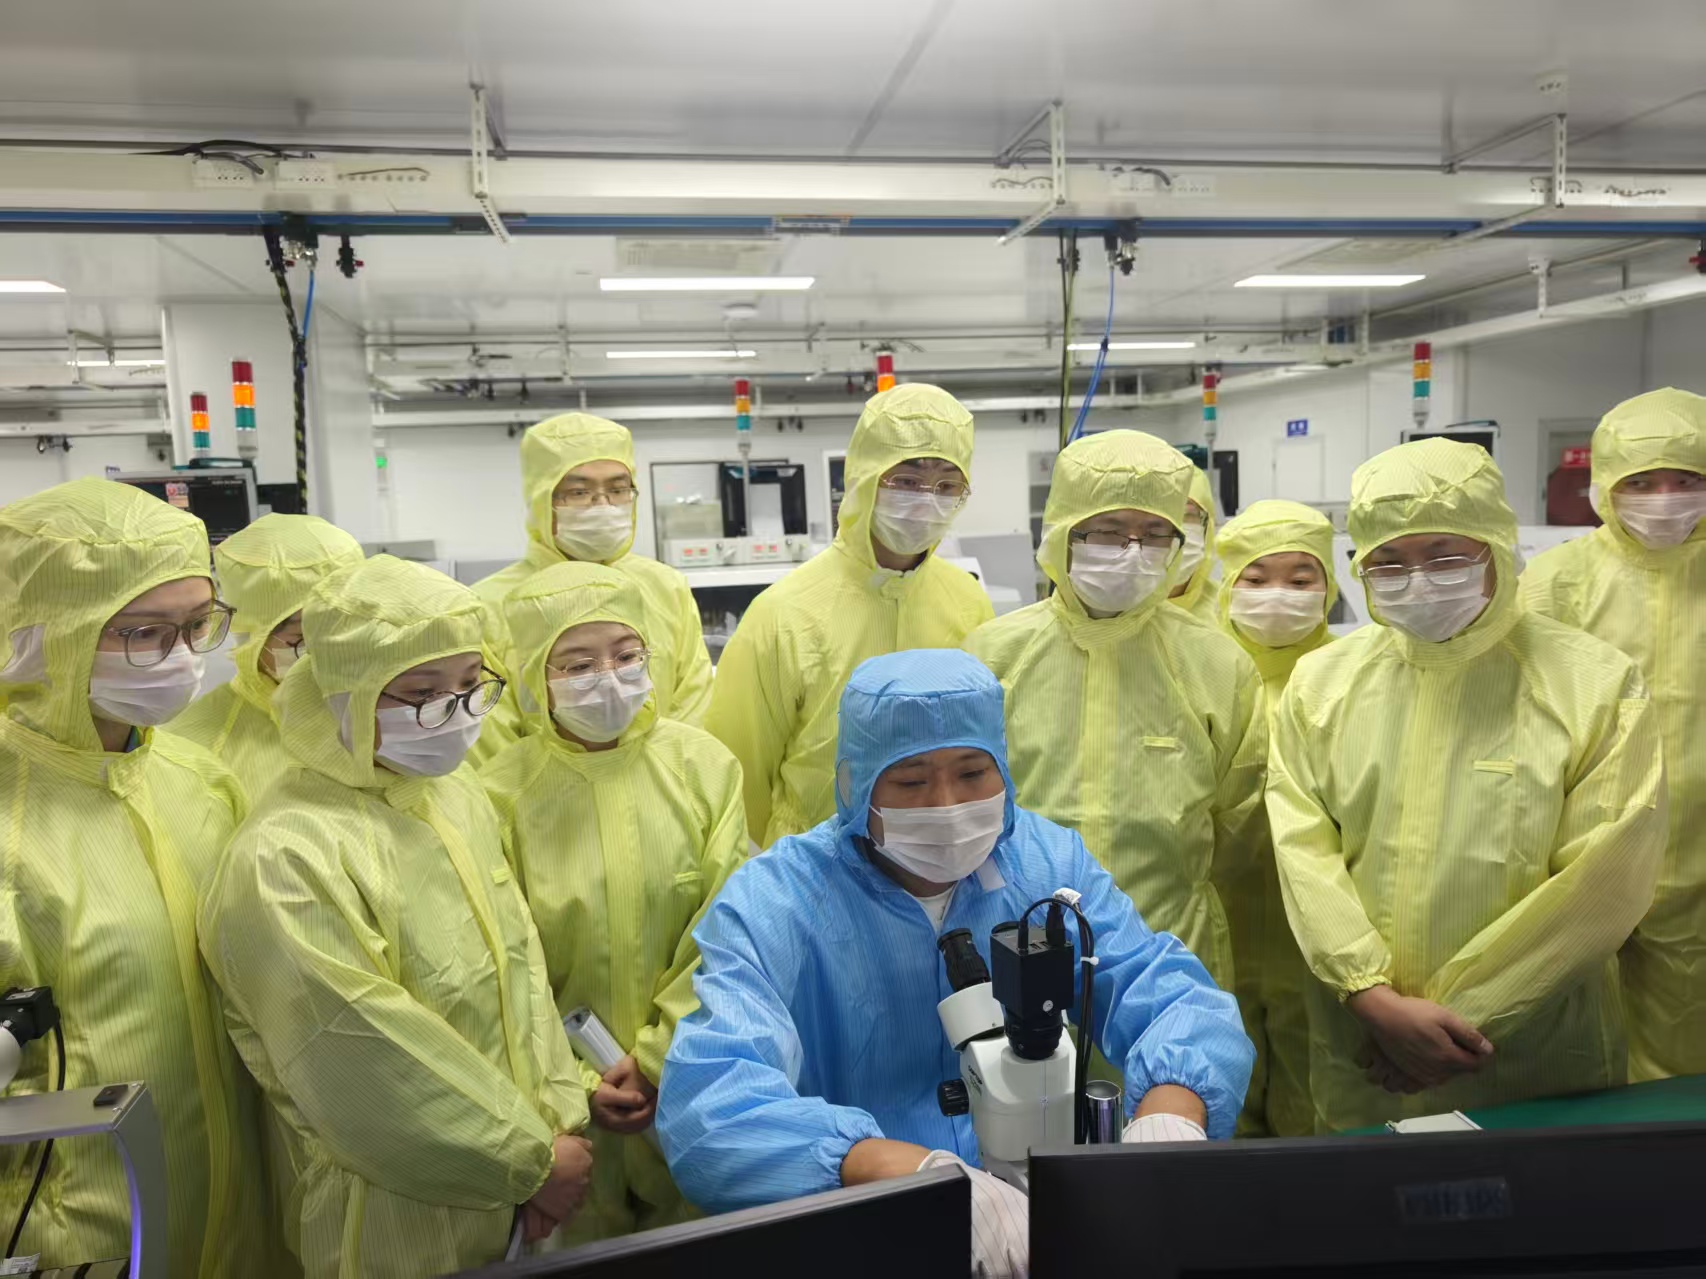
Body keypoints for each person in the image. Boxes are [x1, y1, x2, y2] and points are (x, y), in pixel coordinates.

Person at [659, 650, 1253, 1277]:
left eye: (972, 772)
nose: (946, 804)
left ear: (1004, 769)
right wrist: (905, 1173)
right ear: (853, 786)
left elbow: (1168, 994)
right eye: (911, 782)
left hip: (1047, 1225)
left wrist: (1170, 1118)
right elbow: (711, 1111)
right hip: (867, 1229)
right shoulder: (775, 902)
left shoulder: (1047, 867)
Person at [198, 554, 592, 1278]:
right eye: (422, 693)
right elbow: (362, 1059)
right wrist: (528, 1163)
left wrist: (560, 1119)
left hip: (525, 1183)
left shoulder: (452, 796)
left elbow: (518, 971)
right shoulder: (286, 855)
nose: (459, 713)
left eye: (471, 684)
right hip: (393, 1216)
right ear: (343, 697)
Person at [1267, 438, 1666, 1132]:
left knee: (1539, 1199)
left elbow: (1604, 881)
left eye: (1445, 554)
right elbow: (1303, 849)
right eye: (1389, 560)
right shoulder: (1321, 684)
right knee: (1365, 1195)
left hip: (1528, 1055)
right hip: (1365, 1049)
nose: (1418, 580)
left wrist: (1462, 1021)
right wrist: (1369, 994)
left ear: (1497, 547)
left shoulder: (1594, 684)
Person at [0, 477, 273, 1276]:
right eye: (146, 631)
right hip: (77, 1231)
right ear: (47, 632)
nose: (183, 656)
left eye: (198, 624)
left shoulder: (202, 781)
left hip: (234, 1208)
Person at [964, 430, 1267, 1041]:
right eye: (1107, 530)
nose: (1132, 552)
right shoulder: (994, 655)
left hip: (1171, 954)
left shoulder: (1217, 664)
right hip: (1021, 949)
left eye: (1154, 534)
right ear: (1062, 532)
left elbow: (1241, 828)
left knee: (1173, 1089)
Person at [481, 561, 747, 1240]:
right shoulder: (496, 795)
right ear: (534, 676)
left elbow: (730, 924)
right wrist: (576, 1082)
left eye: (627, 655)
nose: (608, 676)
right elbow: (501, 967)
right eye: (577, 663)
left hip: (693, 1079)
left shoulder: (704, 768)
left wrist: (661, 1054)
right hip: (562, 1112)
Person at [707, 384, 994, 847]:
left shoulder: (967, 599)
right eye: (906, 480)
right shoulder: (784, 611)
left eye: (947, 486)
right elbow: (739, 771)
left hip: (941, 860)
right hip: (817, 865)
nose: (927, 500)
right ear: (864, 477)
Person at [1521, 387, 1706, 1081]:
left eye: (1686, 480)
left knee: (1687, 1035)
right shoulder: (1558, 580)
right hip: (1586, 845)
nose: (1666, 500)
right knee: (1575, 1028)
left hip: (1702, 847)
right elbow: (1524, 718)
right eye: (1643, 482)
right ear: (1605, 485)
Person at [1213, 499, 1339, 1138]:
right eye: (1256, 579)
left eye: (1300, 578)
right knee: (1220, 1059)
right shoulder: (1202, 673)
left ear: (1330, 587)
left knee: (1312, 1071)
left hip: (1318, 926)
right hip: (1217, 916)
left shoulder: (1352, 677)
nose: (1278, 596)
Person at [474, 412, 713, 735]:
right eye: (578, 492)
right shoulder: (488, 607)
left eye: (618, 489)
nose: (603, 505)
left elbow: (694, 700)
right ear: (541, 499)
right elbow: (491, 733)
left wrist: (672, 761)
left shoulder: (665, 586)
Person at [167, 512, 364, 802]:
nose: (337, 649)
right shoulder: (196, 748)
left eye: (351, 626)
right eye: (304, 637)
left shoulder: (396, 712)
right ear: (251, 639)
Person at [1168, 464, 1220, 623]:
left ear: (1206, 525)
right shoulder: (1111, 615)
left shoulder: (1224, 611)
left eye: (1185, 514)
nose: (1172, 529)